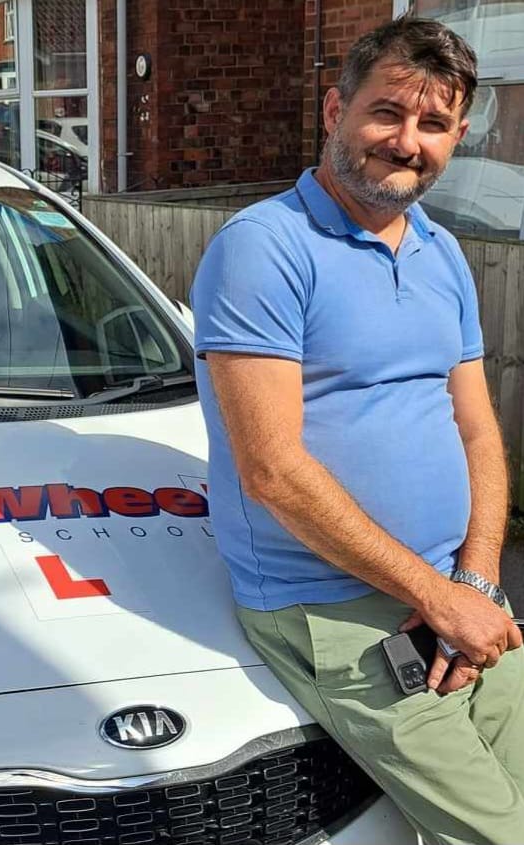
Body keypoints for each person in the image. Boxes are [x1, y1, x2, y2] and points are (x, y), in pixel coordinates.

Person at [190, 16, 524, 845]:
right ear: (336, 110)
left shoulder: (441, 252)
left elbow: (476, 430)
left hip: (458, 591)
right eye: (387, 112)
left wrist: (475, 580)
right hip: (332, 606)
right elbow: (271, 471)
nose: (407, 142)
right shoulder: (264, 248)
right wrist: (435, 597)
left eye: (433, 123)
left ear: (455, 138)